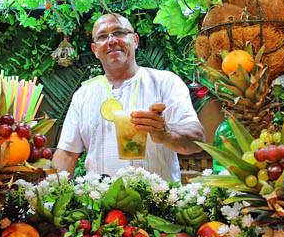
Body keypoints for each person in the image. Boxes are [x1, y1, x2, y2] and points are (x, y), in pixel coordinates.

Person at [53, 13, 205, 182]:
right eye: (102, 36)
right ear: (95, 50)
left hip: (158, 203)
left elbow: (197, 139)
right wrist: (49, 195)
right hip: (99, 202)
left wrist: (166, 134)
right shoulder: (83, 95)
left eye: (119, 33)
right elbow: (67, 153)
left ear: (135, 40)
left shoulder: (165, 82)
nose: (111, 41)